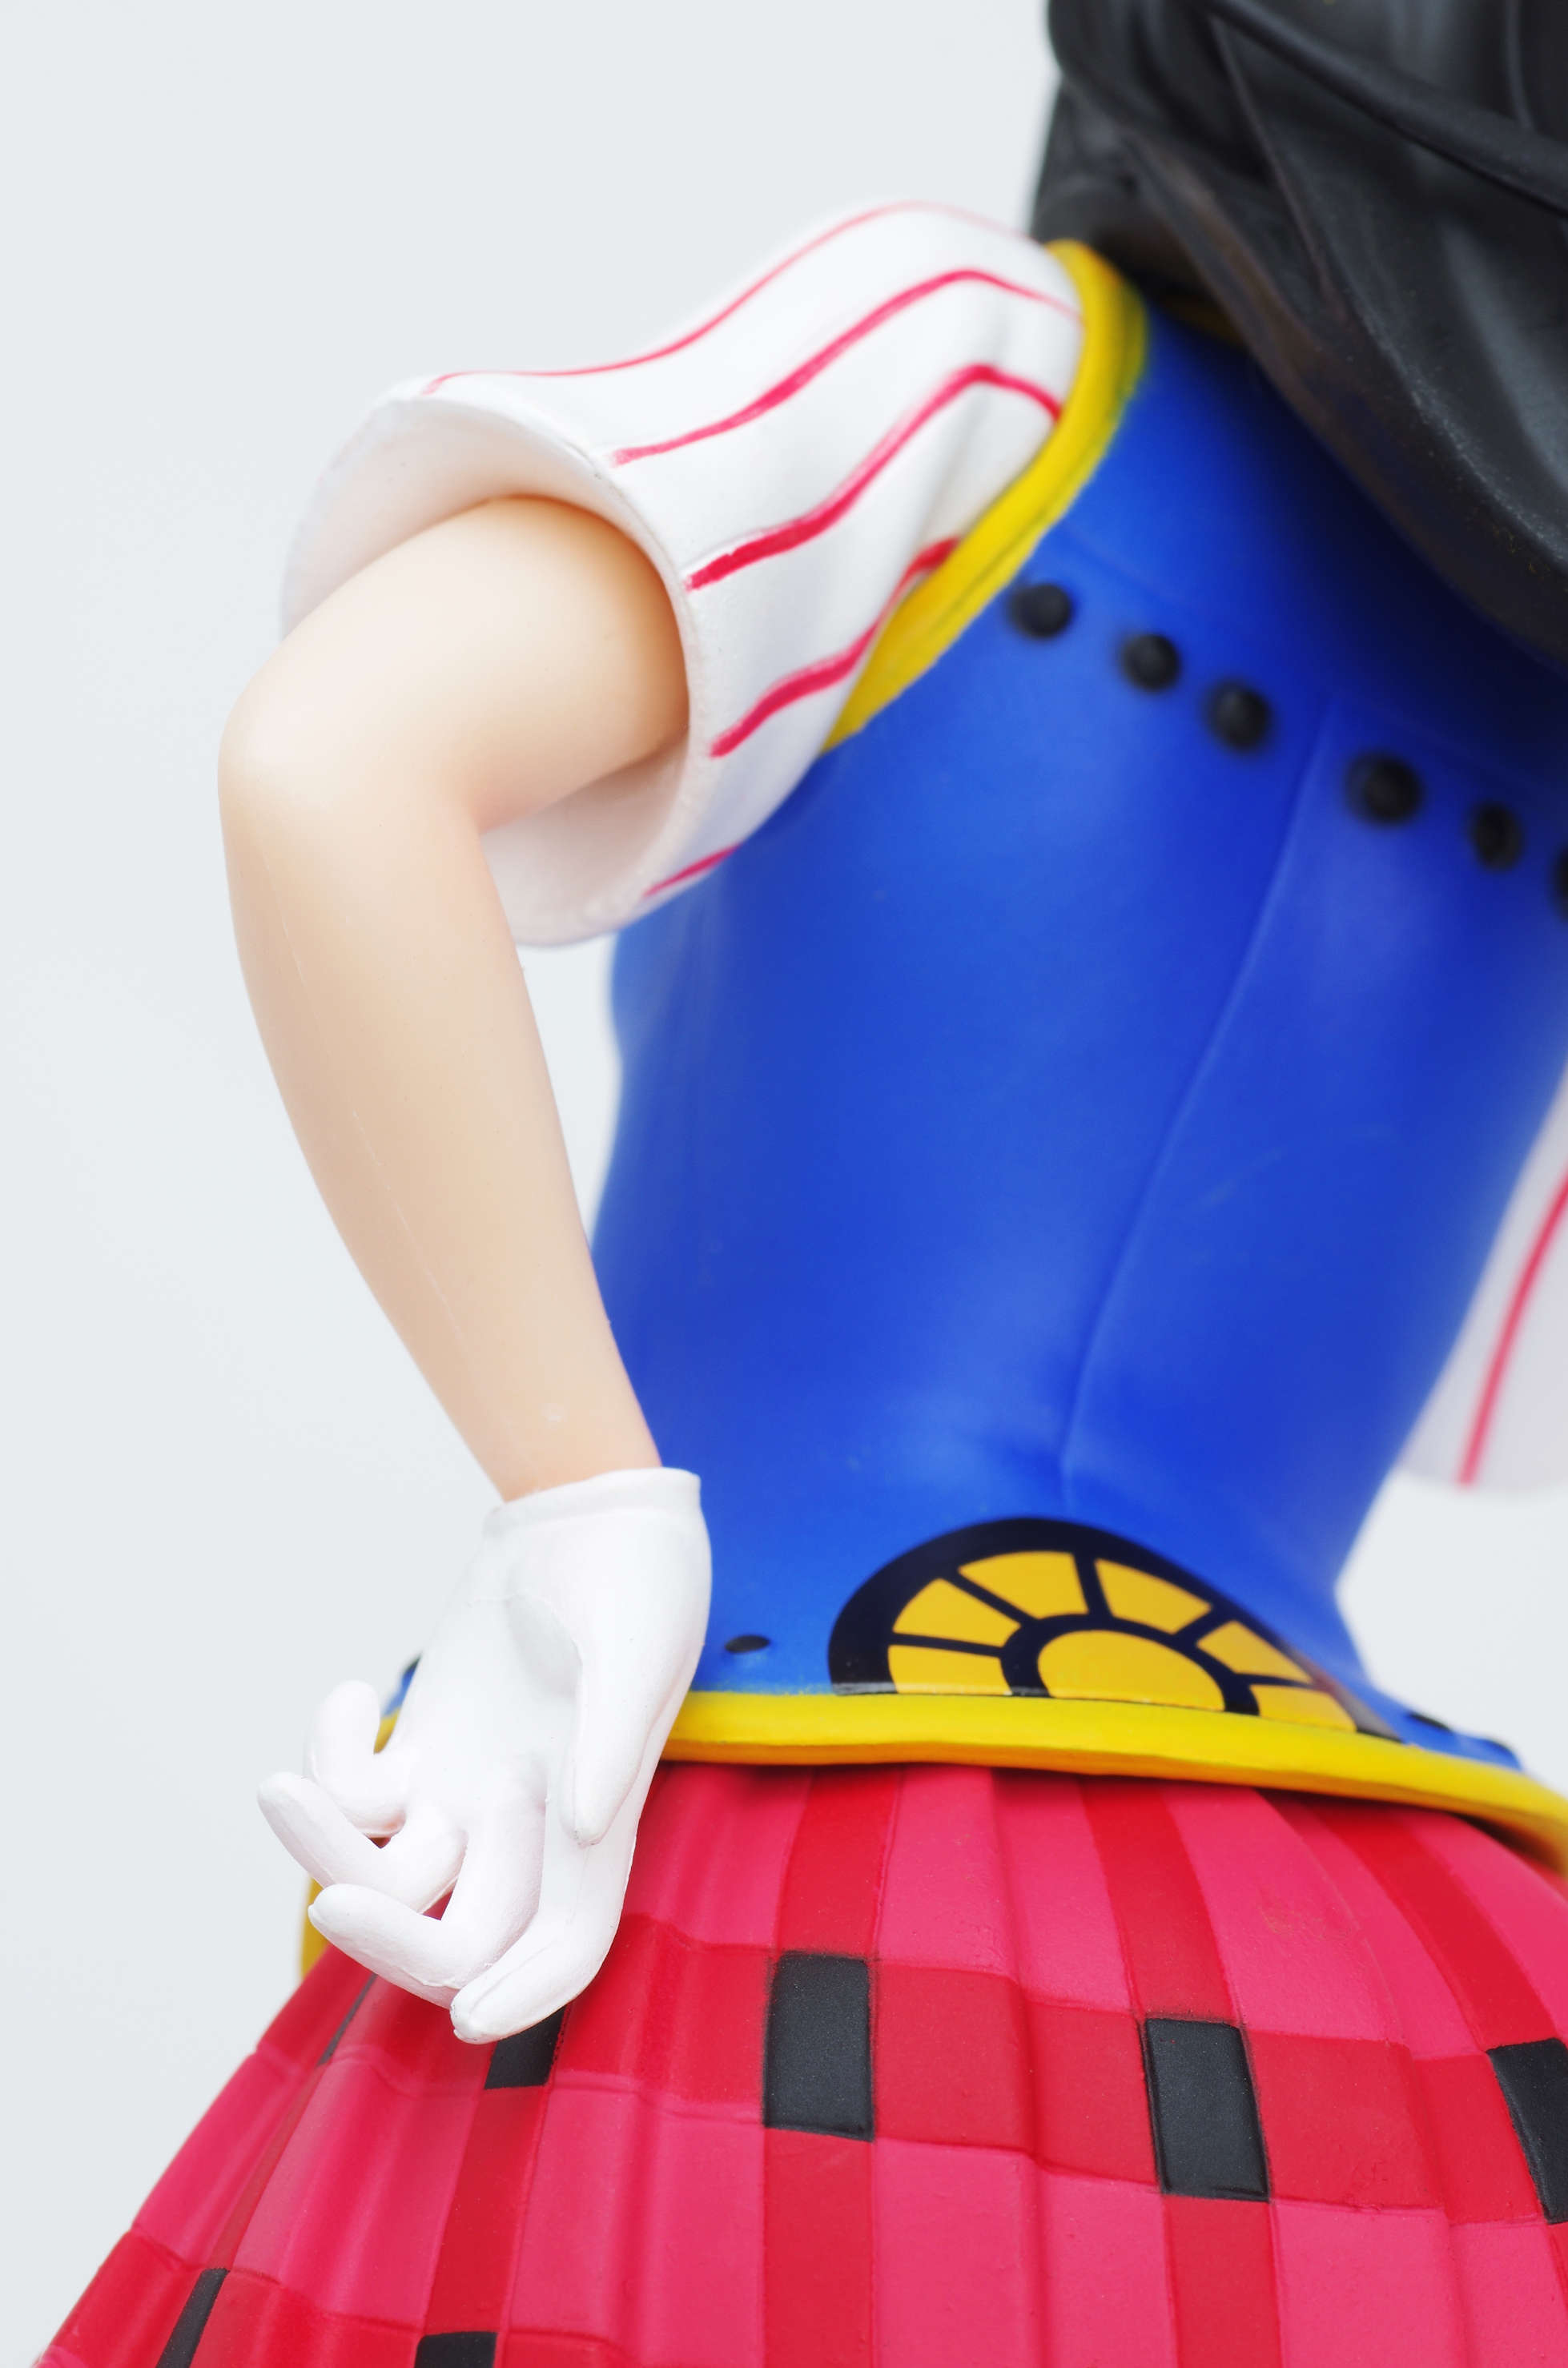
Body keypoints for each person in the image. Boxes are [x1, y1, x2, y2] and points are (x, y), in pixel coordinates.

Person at [43, 2, 1568, 2361]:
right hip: (1403, 2006)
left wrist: (577, 1507)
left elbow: (338, 758)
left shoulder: (980, 363)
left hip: (762, 1863)